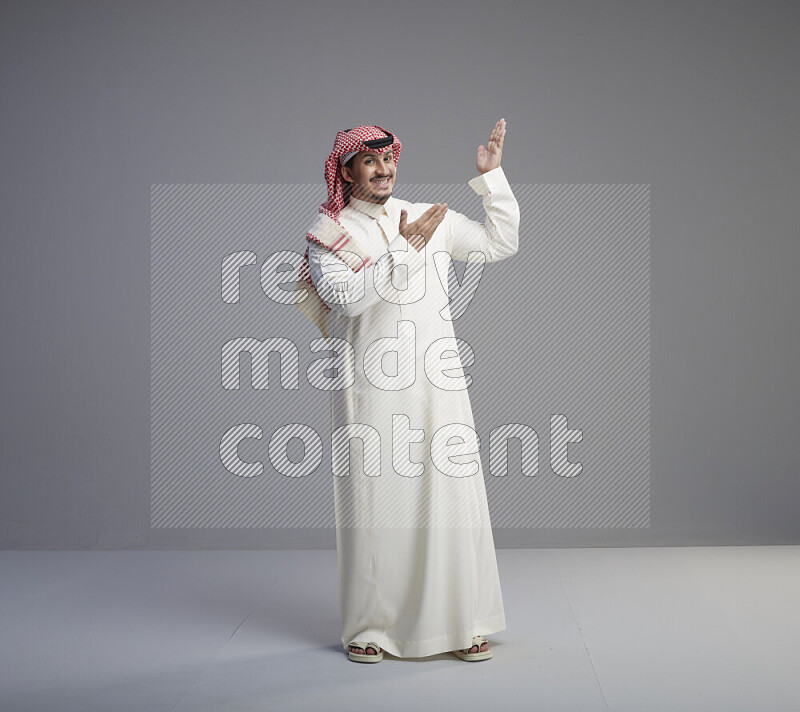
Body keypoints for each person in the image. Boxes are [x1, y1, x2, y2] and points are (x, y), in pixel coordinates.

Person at [295, 120, 520, 662]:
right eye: (368, 162)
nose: (383, 169)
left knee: (449, 499)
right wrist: (401, 249)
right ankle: (371, 630)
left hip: (438, 381)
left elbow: (500, 243)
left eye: (387, 159)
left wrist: (493, 181)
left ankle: (461, 621)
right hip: (372, 389)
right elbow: (346, 299)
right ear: (346, 171)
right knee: (378, 506)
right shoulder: (329, 234)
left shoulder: (425, 217)